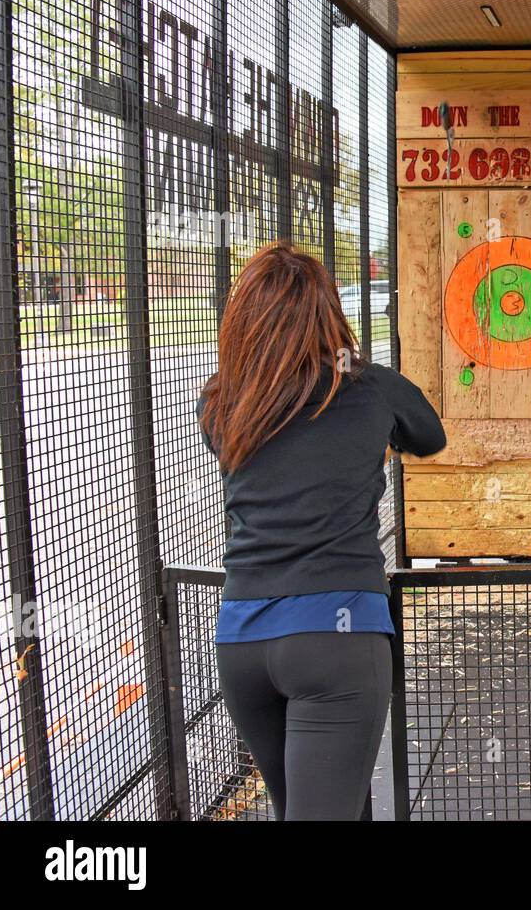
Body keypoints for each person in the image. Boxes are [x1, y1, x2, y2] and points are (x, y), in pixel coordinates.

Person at [196, 242, 446, 820]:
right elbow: (430, 436)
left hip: (242, 641)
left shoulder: (224, 401)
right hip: (338, 637)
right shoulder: (368, 386)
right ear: (329, 314)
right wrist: (374, 437)